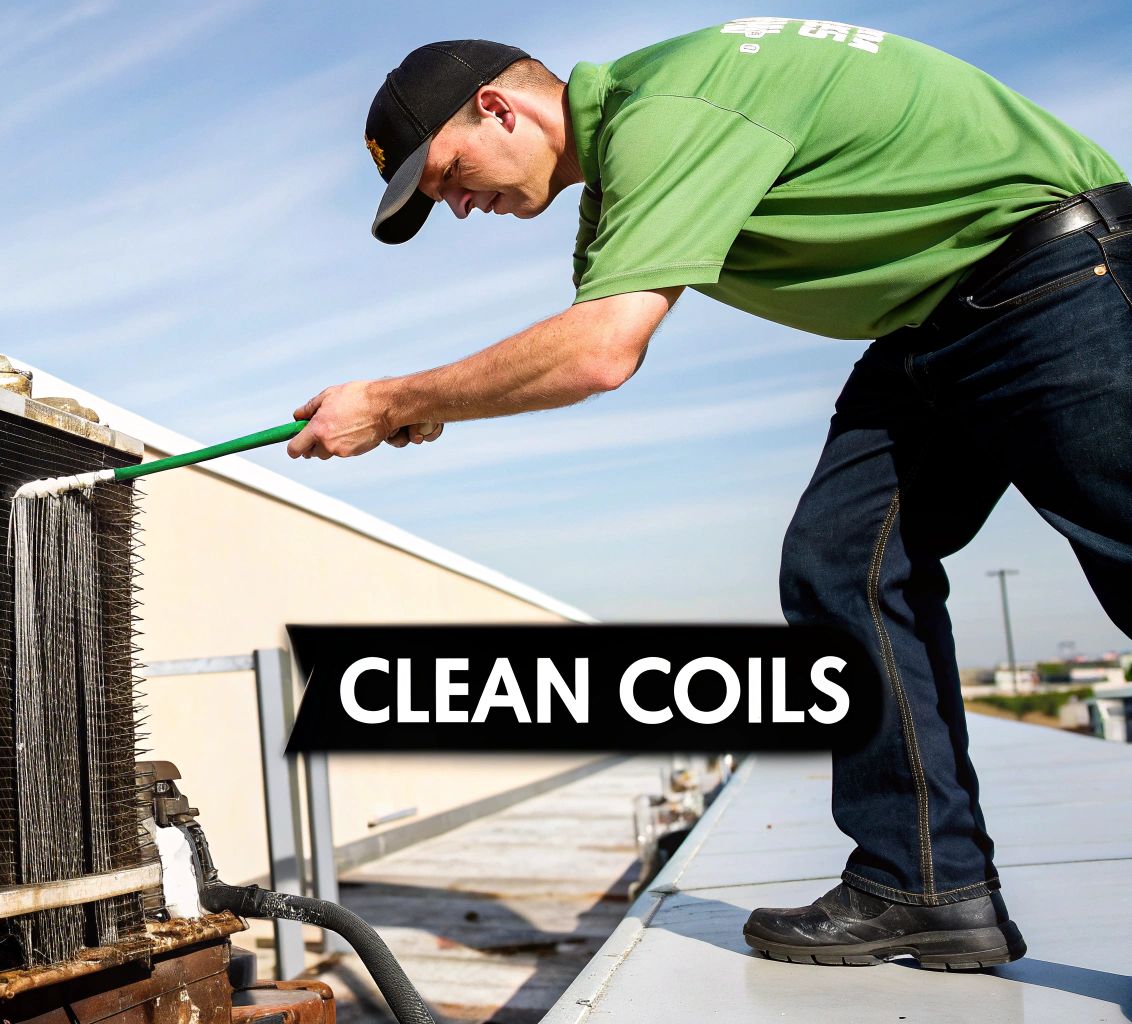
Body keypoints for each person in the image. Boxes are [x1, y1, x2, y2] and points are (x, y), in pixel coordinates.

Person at [290, 24, 1129, 969]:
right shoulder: (621, 180)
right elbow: (570, 348)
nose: (452, 205)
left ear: (498, 106)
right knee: (840, 565)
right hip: (935, 318)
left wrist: (396, 397)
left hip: (1057, 271)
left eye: (442, 174)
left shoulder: (665, 110)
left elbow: (600, 350)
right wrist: (434, 406)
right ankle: (926, 885)